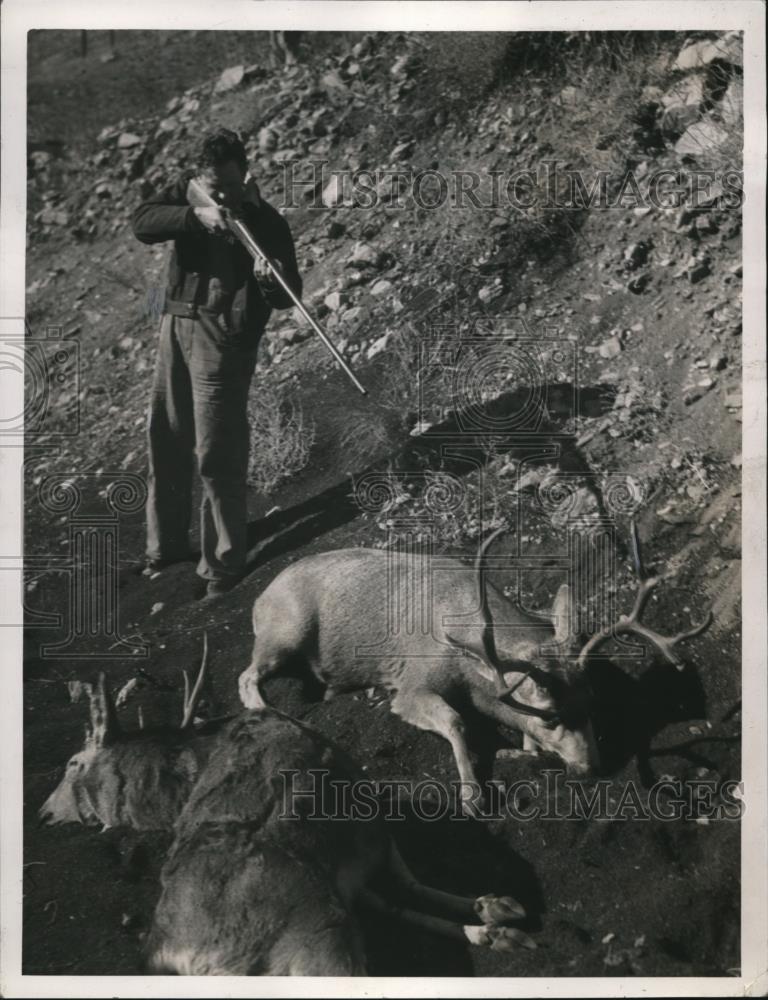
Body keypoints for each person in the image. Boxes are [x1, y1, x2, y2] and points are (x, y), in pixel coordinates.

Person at [132, 128, 302, 598]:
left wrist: (271, 280)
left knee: (217, 454)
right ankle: (164, 549)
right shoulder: (191, 196)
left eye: (230, 186)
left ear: (246, 174)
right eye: (214, 186)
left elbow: (289, 298)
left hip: (224, 340)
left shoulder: (267, 223)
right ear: (199, 177)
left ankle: (222, 565)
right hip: (177, 326)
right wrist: (196, 216)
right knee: (166, 436)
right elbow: (143, 222)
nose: (224, 196)